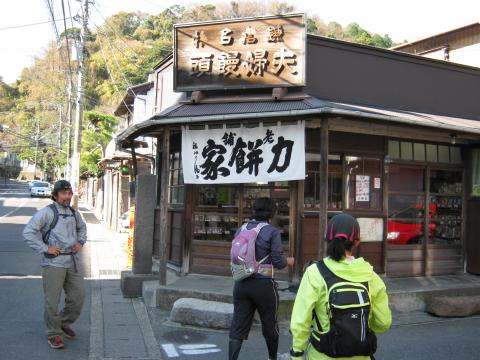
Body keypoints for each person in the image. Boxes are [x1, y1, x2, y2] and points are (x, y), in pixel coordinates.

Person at [290, 213, 392, 360]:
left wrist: (297, 354)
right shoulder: (371, 276)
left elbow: (301, 321)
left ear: (328, 239)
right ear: (357, 242)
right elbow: (384, 323)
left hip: (322, 355)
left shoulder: (315, 273)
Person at [23, 180, 87, 350]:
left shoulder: (74, 213)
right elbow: (29, 232)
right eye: (64, 193)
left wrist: (80, 242)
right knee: (52, 301)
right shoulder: (47, 213)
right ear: (56, 195)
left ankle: (62, 323)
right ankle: (54, 334)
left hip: (72, 261)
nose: (68, 196)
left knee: (78, 297)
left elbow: (82, 229)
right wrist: (46, 248)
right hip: (53, 263)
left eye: (69, 193)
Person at [229, 197, 295, 360]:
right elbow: (279, 262)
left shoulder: (241, 229)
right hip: (263, 286)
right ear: (272, 214)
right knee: (270, 325)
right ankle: (272, 358)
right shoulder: (272, 231)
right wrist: (289, 261)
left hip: (241, 283)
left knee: (238, 327)